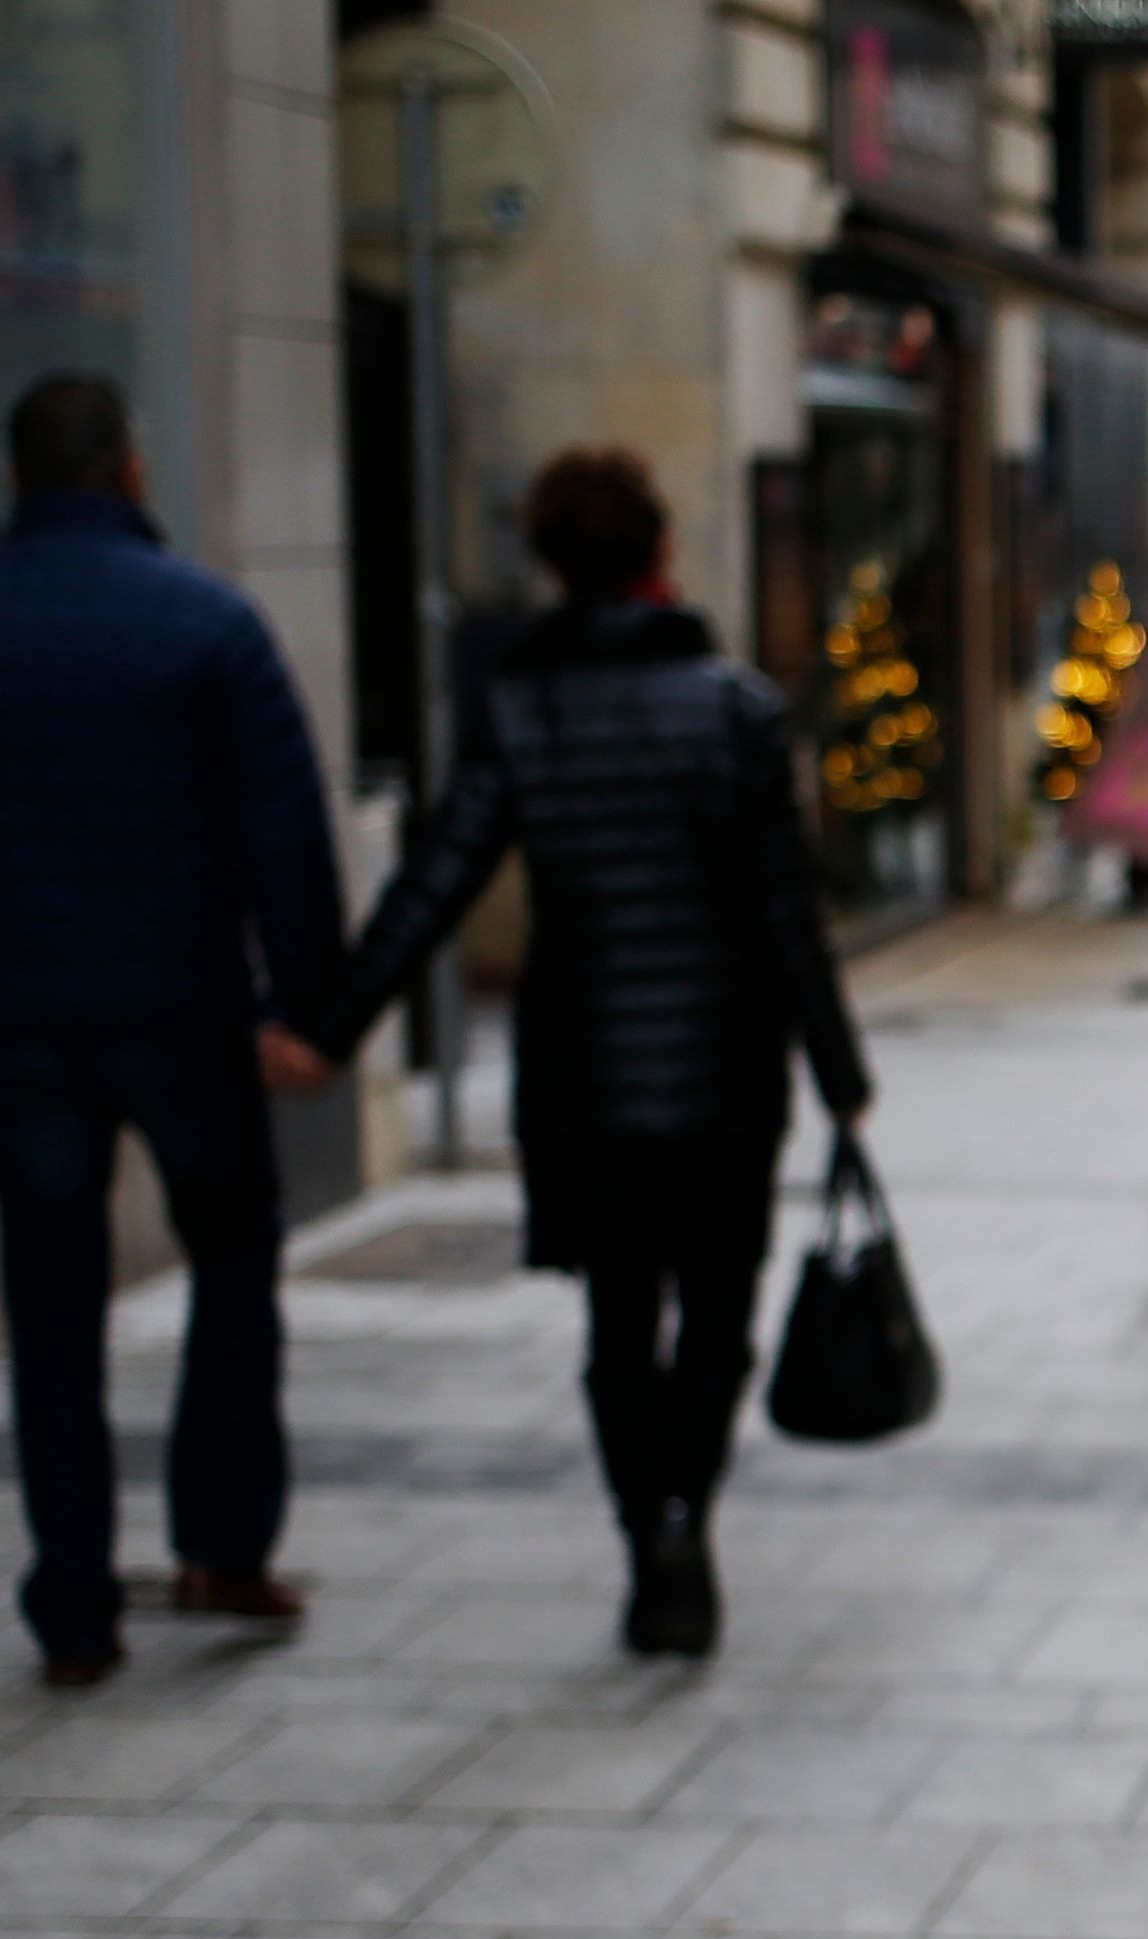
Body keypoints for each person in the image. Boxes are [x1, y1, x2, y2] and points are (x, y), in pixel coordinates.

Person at [282, 448, 869, 1658]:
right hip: (720, 1077)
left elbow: (435, 881)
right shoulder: (738, 708)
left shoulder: (521, 708)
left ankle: (638, 1536)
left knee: (616, 1323)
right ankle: (684, 1524)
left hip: (584, 1081)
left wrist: (331, 1025)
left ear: (553, 567)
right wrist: (839, 1074)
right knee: (716, 1315)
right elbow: (786, 915)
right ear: (660, 555)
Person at [0, 373, 344, 1684]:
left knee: (53, 1307)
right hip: (182, 1012)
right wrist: (303, 1007)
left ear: (17, 478)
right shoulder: (206, 623)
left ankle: (75, 1607)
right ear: (128, 471)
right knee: (230, 1254)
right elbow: (286, 836)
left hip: (25, 1025)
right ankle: (221, 1540)